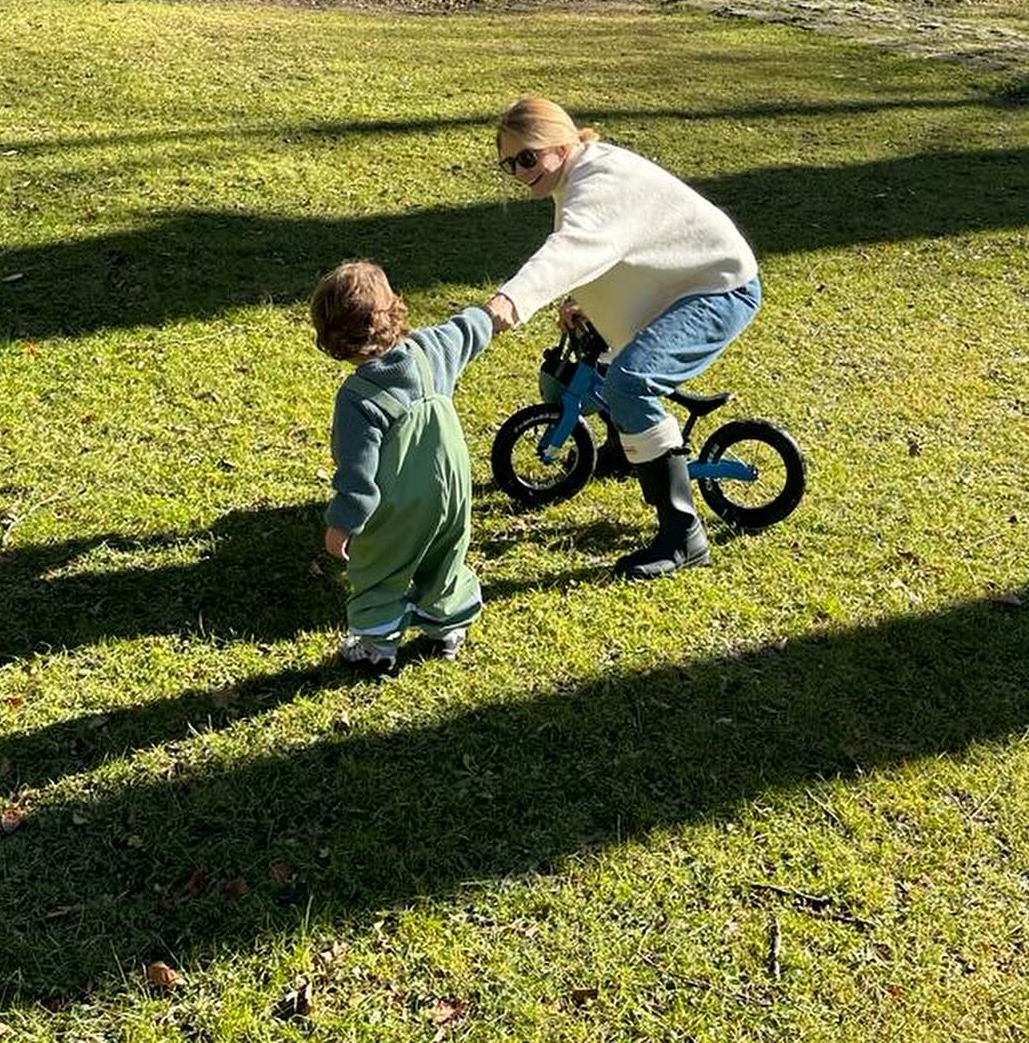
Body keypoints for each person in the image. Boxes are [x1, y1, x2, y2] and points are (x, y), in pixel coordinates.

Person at [484, 97, 761, 580]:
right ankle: (620, 451)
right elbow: (615, 246)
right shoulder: (579, 173)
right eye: (510, 164)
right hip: (679, 282)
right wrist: (581, 302)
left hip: (720, 288)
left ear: (562, 143)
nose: (520, 172)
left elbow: (574, 245)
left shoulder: (598, 182)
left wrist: (511, 300)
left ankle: (683, 536)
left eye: (528, 157)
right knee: (601, 356)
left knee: (629, 383)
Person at [310, 259, 496, 676]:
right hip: (453, 490)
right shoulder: (431, 350)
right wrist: (491, 315)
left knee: (381, 567)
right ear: (394, 311)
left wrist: (343, 524)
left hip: (399, 506)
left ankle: (378, 646)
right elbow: (468, 330)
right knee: (445, 555)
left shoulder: (358, 398)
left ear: (333, 338)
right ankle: (447, 629)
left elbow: (357, 475)